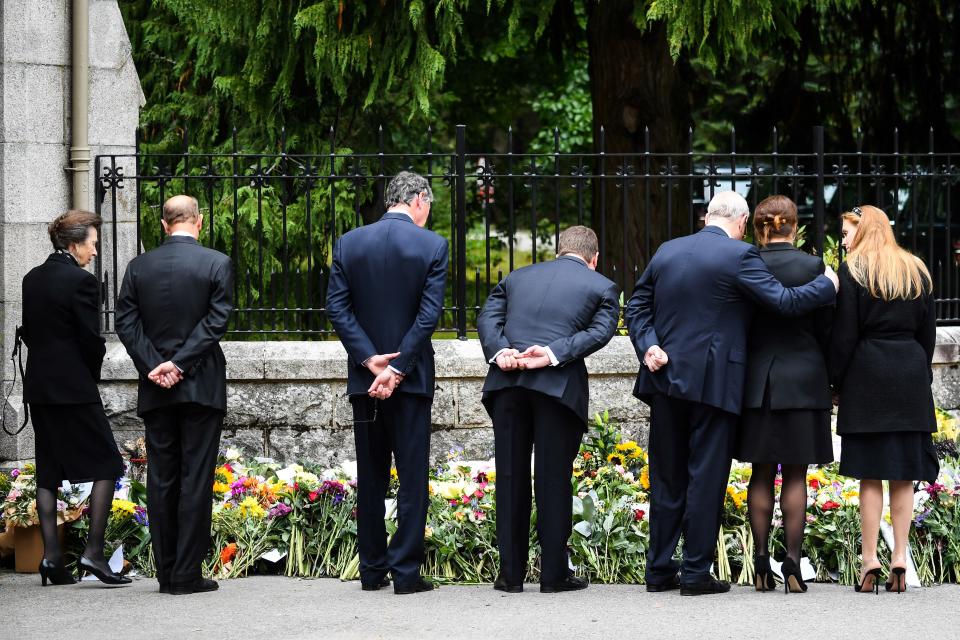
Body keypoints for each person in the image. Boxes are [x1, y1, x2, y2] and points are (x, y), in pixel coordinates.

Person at [625, 190, 838, 596]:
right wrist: (826, 286)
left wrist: (648, 345)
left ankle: (658, 570)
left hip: (664, 376)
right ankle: (694, 574)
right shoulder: (739, 257)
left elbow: (636, 306)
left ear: (707, 216)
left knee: (667, 475)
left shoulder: (667, 250)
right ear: (741, 223)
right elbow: (784, 302)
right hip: (713, 382)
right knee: (705, 476)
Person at [477, 226, 620, 594]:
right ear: (594, 258)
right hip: (557, 390)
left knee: (509, 475)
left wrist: (502, 351)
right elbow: (600, 333)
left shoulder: (516, 277)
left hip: (507, 384)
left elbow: (487, 318)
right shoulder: (601, 286)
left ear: (559, 250)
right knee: (553, 478)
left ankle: (510, 575)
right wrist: (553, 353)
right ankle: (554, 575)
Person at [326, 171, 448, 595]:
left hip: (365, 378)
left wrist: (369, 360)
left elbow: (337, 309)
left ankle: (372, 569)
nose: (428, 215)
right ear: (417, 200)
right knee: (412, 478)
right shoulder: (432, 245)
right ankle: (406, 574)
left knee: (371, 475)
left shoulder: (350, 242)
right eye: (428, 206)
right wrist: (398, 369)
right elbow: (428, 316)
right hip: (411, 381)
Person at [115, 195, 233, 596]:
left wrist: (155, 365)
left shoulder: (138, 267)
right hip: (200, 385)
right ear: (198, 222)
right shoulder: (216, 262)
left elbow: (126, 323)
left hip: (156, 387)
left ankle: (166, 572)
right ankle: (186, 572)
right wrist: (180, 364)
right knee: (195, 478)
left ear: (164, 225)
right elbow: (216, 321)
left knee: (162, 478)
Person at [830, 205, 938, 595]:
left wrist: (835, 382)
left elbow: (844, 336)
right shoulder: (915, 268)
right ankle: (900, 558)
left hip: (867, 375)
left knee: (870, 474)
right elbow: (928, 334)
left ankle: (870, 557)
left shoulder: (854, 271)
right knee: (904, 474)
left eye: (846, 232)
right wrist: (918, 373)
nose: (843, 239)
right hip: (908, 373)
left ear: (864, 231)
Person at [21, 211, 129, 586]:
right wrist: (90, 375)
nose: (95, 252)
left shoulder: (31, 279)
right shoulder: (81, 282)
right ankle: (94, 554)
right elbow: (90, 339)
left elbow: (32, 333)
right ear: (74, 244)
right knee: (108, 463)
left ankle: (52, 558)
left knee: (48, 469)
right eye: (93, 244)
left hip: (39, 386)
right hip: (73, 387)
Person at [734, 195, 834, 594]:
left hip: (757, 382)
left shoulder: (747, 265)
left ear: (759, 227)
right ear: (794, 226)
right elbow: (828, 330)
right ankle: (791, 559)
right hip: (805, 380)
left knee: (760, 471)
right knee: (795, 472)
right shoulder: (815, 268)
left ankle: (760, 560)